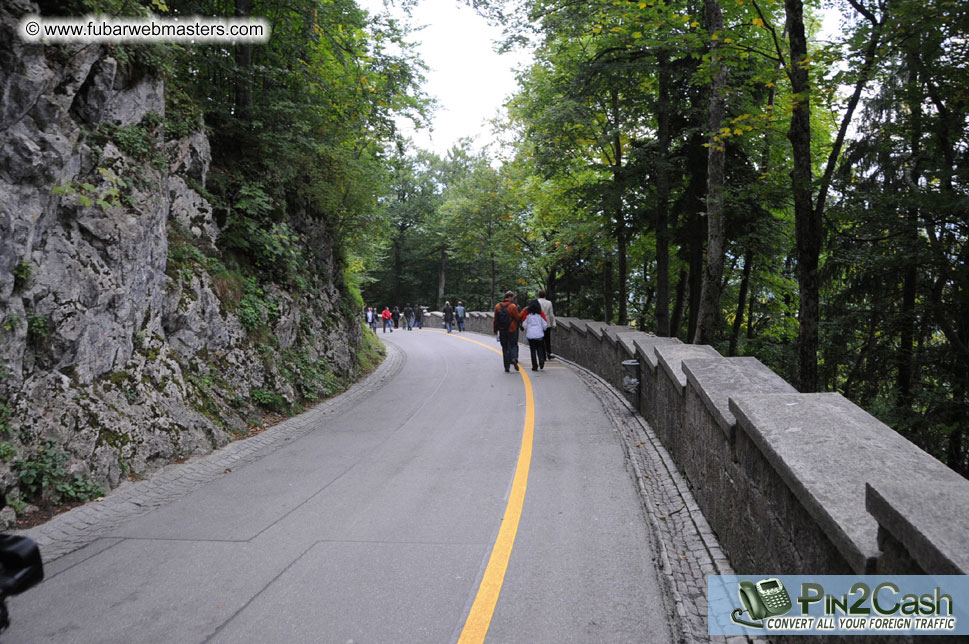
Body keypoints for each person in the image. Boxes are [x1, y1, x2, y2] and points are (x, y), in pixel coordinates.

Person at [493, 290, 522, 372]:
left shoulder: (497, 306)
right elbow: (518, 317)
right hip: (512, 329)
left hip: (502, 330)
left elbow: (495, 320)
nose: (514, 299)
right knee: (513, 345)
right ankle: (514, 358)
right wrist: (523, 312)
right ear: (509, 297)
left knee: (505, 348)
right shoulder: (513, 306)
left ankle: (507, 367)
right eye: (513, 298)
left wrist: (495, 330)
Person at [520, 299, 549, 371]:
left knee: (532, 350)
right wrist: (543, 329)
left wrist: (527, 328)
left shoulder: (527, 313)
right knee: (539, 348)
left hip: (530, 334)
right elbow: (545, 324)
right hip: (539, 333)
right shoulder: (541, 313)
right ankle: (541, 359)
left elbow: (524, 324)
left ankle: (534, 366)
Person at [537, 290, 556, 359]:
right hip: (547, 322)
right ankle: (549, 353)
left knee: (541, 339)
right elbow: (551, 314)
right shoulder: (549, 303)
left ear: (538, 295)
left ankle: (542, 355)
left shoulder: (537, 302)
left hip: (539, 323)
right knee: (547, 339)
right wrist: (553, 323)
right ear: (545, 295)